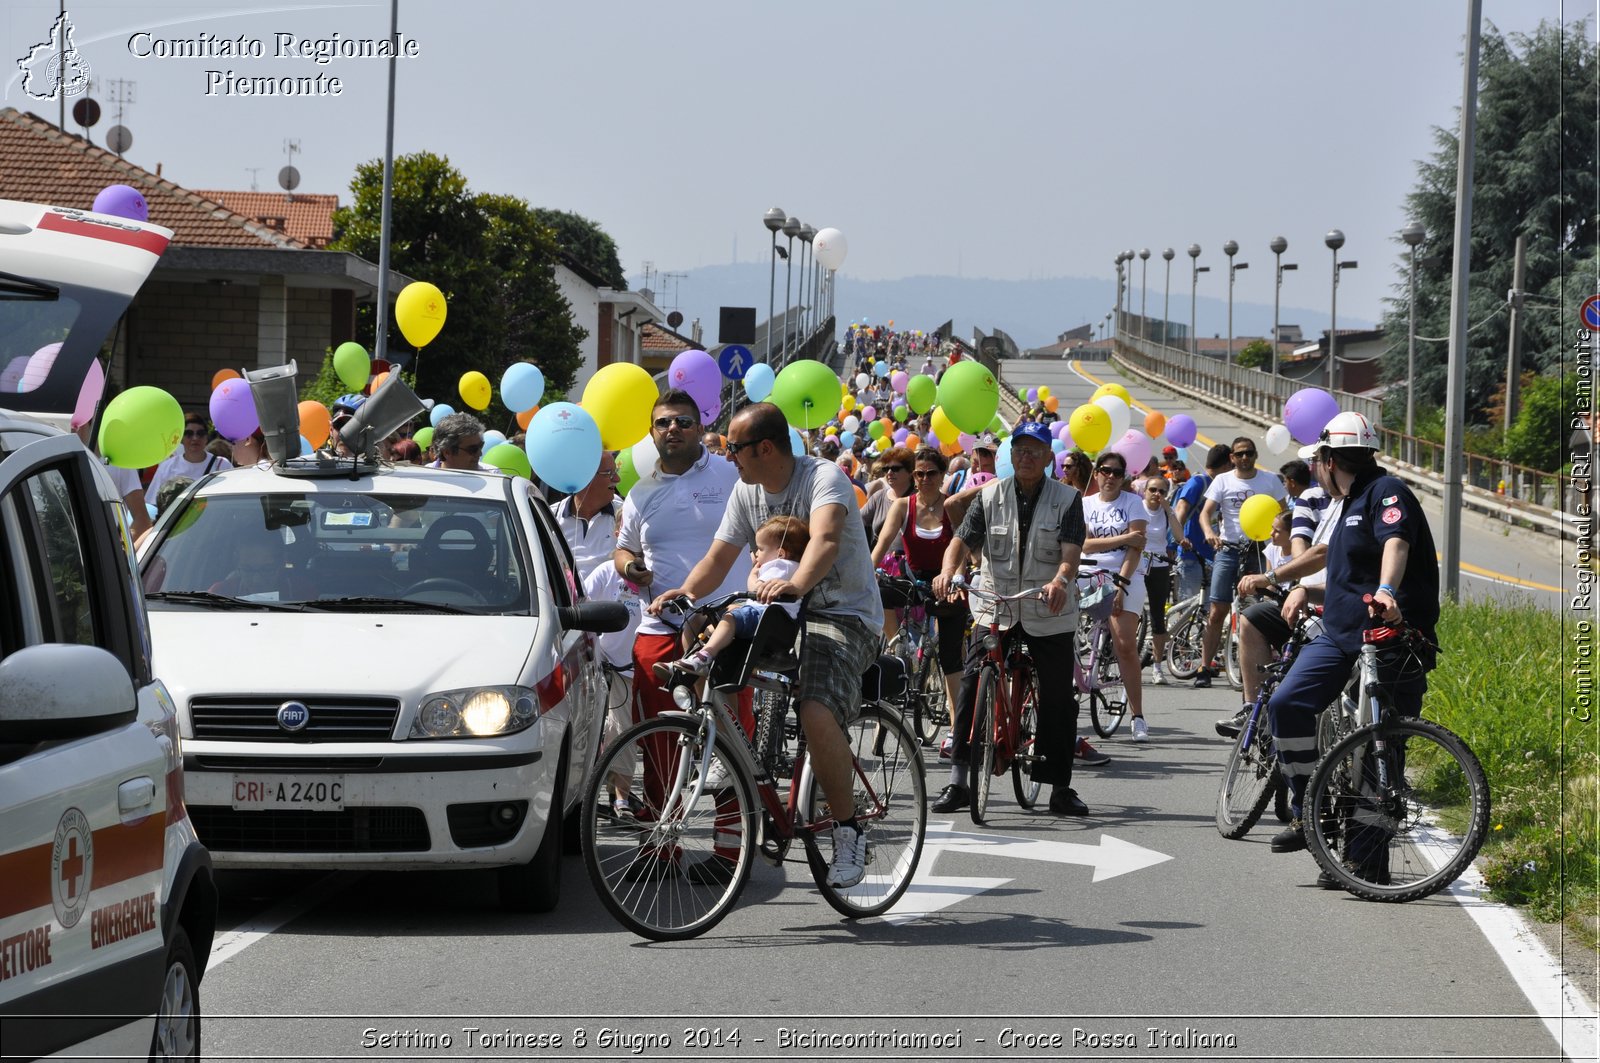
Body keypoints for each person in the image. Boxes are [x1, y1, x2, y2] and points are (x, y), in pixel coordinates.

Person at [651, 401, 884, 889]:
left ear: (763, 448)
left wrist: (796, 583)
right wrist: (687, 595)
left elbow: (824, 540)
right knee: (704, 634)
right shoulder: (745, 490)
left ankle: (848, 831)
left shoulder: (823, 478)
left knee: (816, 710)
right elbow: (718, 557)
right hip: (781, 615)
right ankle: (722, 751)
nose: (727, 456)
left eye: (734, 448)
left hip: (841, 614)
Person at [1264, 412, 1439, 883]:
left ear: (1328, 459)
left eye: (1317, 462)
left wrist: (1387, 591)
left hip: (1391, 638)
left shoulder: (1387, 493)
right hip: (1342, 635)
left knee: (1381, 747)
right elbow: (1335, 568)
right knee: (1287, 703)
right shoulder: (1346, 503)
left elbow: (1395, 544)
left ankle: (1364, 862)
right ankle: (1309, 810)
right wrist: (1291, 584)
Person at [929, 422, 1089, 816]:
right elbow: (960, 540)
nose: (1027, 457)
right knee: (969, 684)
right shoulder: (989, 496)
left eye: (1035, 450)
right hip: (995, 605)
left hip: (1046, 606)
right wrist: (948, 571)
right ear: (1011, 454)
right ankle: (959, 781)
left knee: (1057, 696)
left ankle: (1059, 787)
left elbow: (1071, 551)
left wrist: (1061, 580)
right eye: (1020, 449)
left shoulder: (1067, 498)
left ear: (1049, 457)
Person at [614, 390, 748, 860]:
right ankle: (660, 847)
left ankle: (730, 849)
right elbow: (623, 549)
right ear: (651, 433)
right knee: (658, 738)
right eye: (664, 423)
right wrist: (630, 568)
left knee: (732, 738)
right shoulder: (640, 492)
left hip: (724, 626)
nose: (673, 429)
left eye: (684, 422)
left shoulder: (732, 475)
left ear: (699, 427)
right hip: (660, 629)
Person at [870, 446, 965, 741]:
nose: (925, 479)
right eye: (919, 474)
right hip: (914, 580)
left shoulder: (951, 506)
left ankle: (957, 728)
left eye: (931, 474)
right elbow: (883, 542)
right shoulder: (903, 506)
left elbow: (961, 547)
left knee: (951, 656)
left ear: (942, 475)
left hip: (946, 580)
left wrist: (957, 576)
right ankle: (892, 645)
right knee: (879, 599)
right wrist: (867, 573)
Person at [660, 515, 807, 676]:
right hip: (773, 620)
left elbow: (757, 590)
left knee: (729, 618)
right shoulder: (794, 568)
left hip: (766, 618)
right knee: (720, 621)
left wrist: (752, 575)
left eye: (761, 548)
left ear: (780, 553)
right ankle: (693, 660)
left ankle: (703, 656)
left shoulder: (780, 565)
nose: (756, 554)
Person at [1193, 436, 1286, 688]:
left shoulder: (1270, 480)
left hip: (1259, 550)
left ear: (1256, 455)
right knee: (1216, 612)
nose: (1244, 458)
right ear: (1232, 458)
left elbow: (1284, 513)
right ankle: (1205, 666)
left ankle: (1259, 667)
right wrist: (1209, 533)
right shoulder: (1223, 480)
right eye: (1239, 454)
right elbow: (1205, 513)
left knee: (1259, 611)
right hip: (1228, 549)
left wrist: (1283, 545)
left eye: (1249, 453)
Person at [1080, 449, 1150, 740]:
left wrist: (1120, 585)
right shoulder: (1083, 503)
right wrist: (1123, 538)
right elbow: (1083, 545)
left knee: (1124, 644)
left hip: (1124, 575)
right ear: (1096, 474)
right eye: (1105, 471)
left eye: (1117, 473)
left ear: (1124, 478)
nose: (1110, 477)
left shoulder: (1134, 503)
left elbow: (1137, 548)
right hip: (1085, 573)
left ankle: (1137, 715)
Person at [1137, 473, 1186, 686]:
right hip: (1136, 564)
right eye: (1152, 490)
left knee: (1158, 617)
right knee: (1129, 612)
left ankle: (1157, 667)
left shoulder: (1166, 512)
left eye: (1162, 491)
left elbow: (1178, 536)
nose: (1157, 494)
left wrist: (1169, 510)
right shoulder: (1136, 507)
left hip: (1158, 565)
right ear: (1144, 491)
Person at [1172, 444, 1229, 604]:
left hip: (1211, 557)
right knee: (1189, 606)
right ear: (1226, 465)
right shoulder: (1198, 482)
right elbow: (1181, 508)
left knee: (1206, 609)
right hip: (1191, 556)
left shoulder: (1220, 485)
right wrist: (1178, 538)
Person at [554, 452, 620, 577]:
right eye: (609, 473)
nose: (617, 479)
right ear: (585, 477)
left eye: (616, 471)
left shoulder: (625, 514)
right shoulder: (551, 517)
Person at [148, 410, 232, 496]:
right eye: (189, 434)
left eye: (200, 433)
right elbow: (152, 501)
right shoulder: (167, 467)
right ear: (181, 438)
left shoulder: (222, 465)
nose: (195, 438)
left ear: (206, 437)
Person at [860, 445, 914, 551]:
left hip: (909, 565)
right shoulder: (879, 496)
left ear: (910, 471)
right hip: (880, 563)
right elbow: (857, 520)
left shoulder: (919, 499)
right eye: (886, 469)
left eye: (895, 469)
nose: (889, 473)